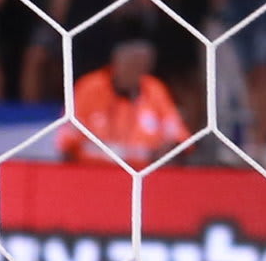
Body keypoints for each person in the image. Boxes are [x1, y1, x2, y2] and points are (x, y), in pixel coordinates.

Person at [65, 33, 192, 163]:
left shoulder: (154, 89)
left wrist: (167, 148)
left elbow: (178, 137)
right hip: (95, 171)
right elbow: (67, 140)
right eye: (131, 64)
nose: (135, 72)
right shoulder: (89, 87)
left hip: (145, 173)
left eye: (141, 67)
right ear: (115, 63)